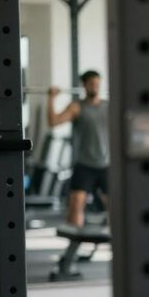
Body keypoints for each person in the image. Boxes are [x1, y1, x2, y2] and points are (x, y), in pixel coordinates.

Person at [47, 70, 109, 227]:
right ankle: (74, 242)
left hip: (107, 164)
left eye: (97, 83)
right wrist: (51, 99)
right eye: (91, 84)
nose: (95, 87)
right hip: (85, 165)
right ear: (84, 85)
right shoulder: (77, 107)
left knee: (116, 208)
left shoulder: (109, 106)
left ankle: (119, 243)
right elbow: (53, 122)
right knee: (75, 205)